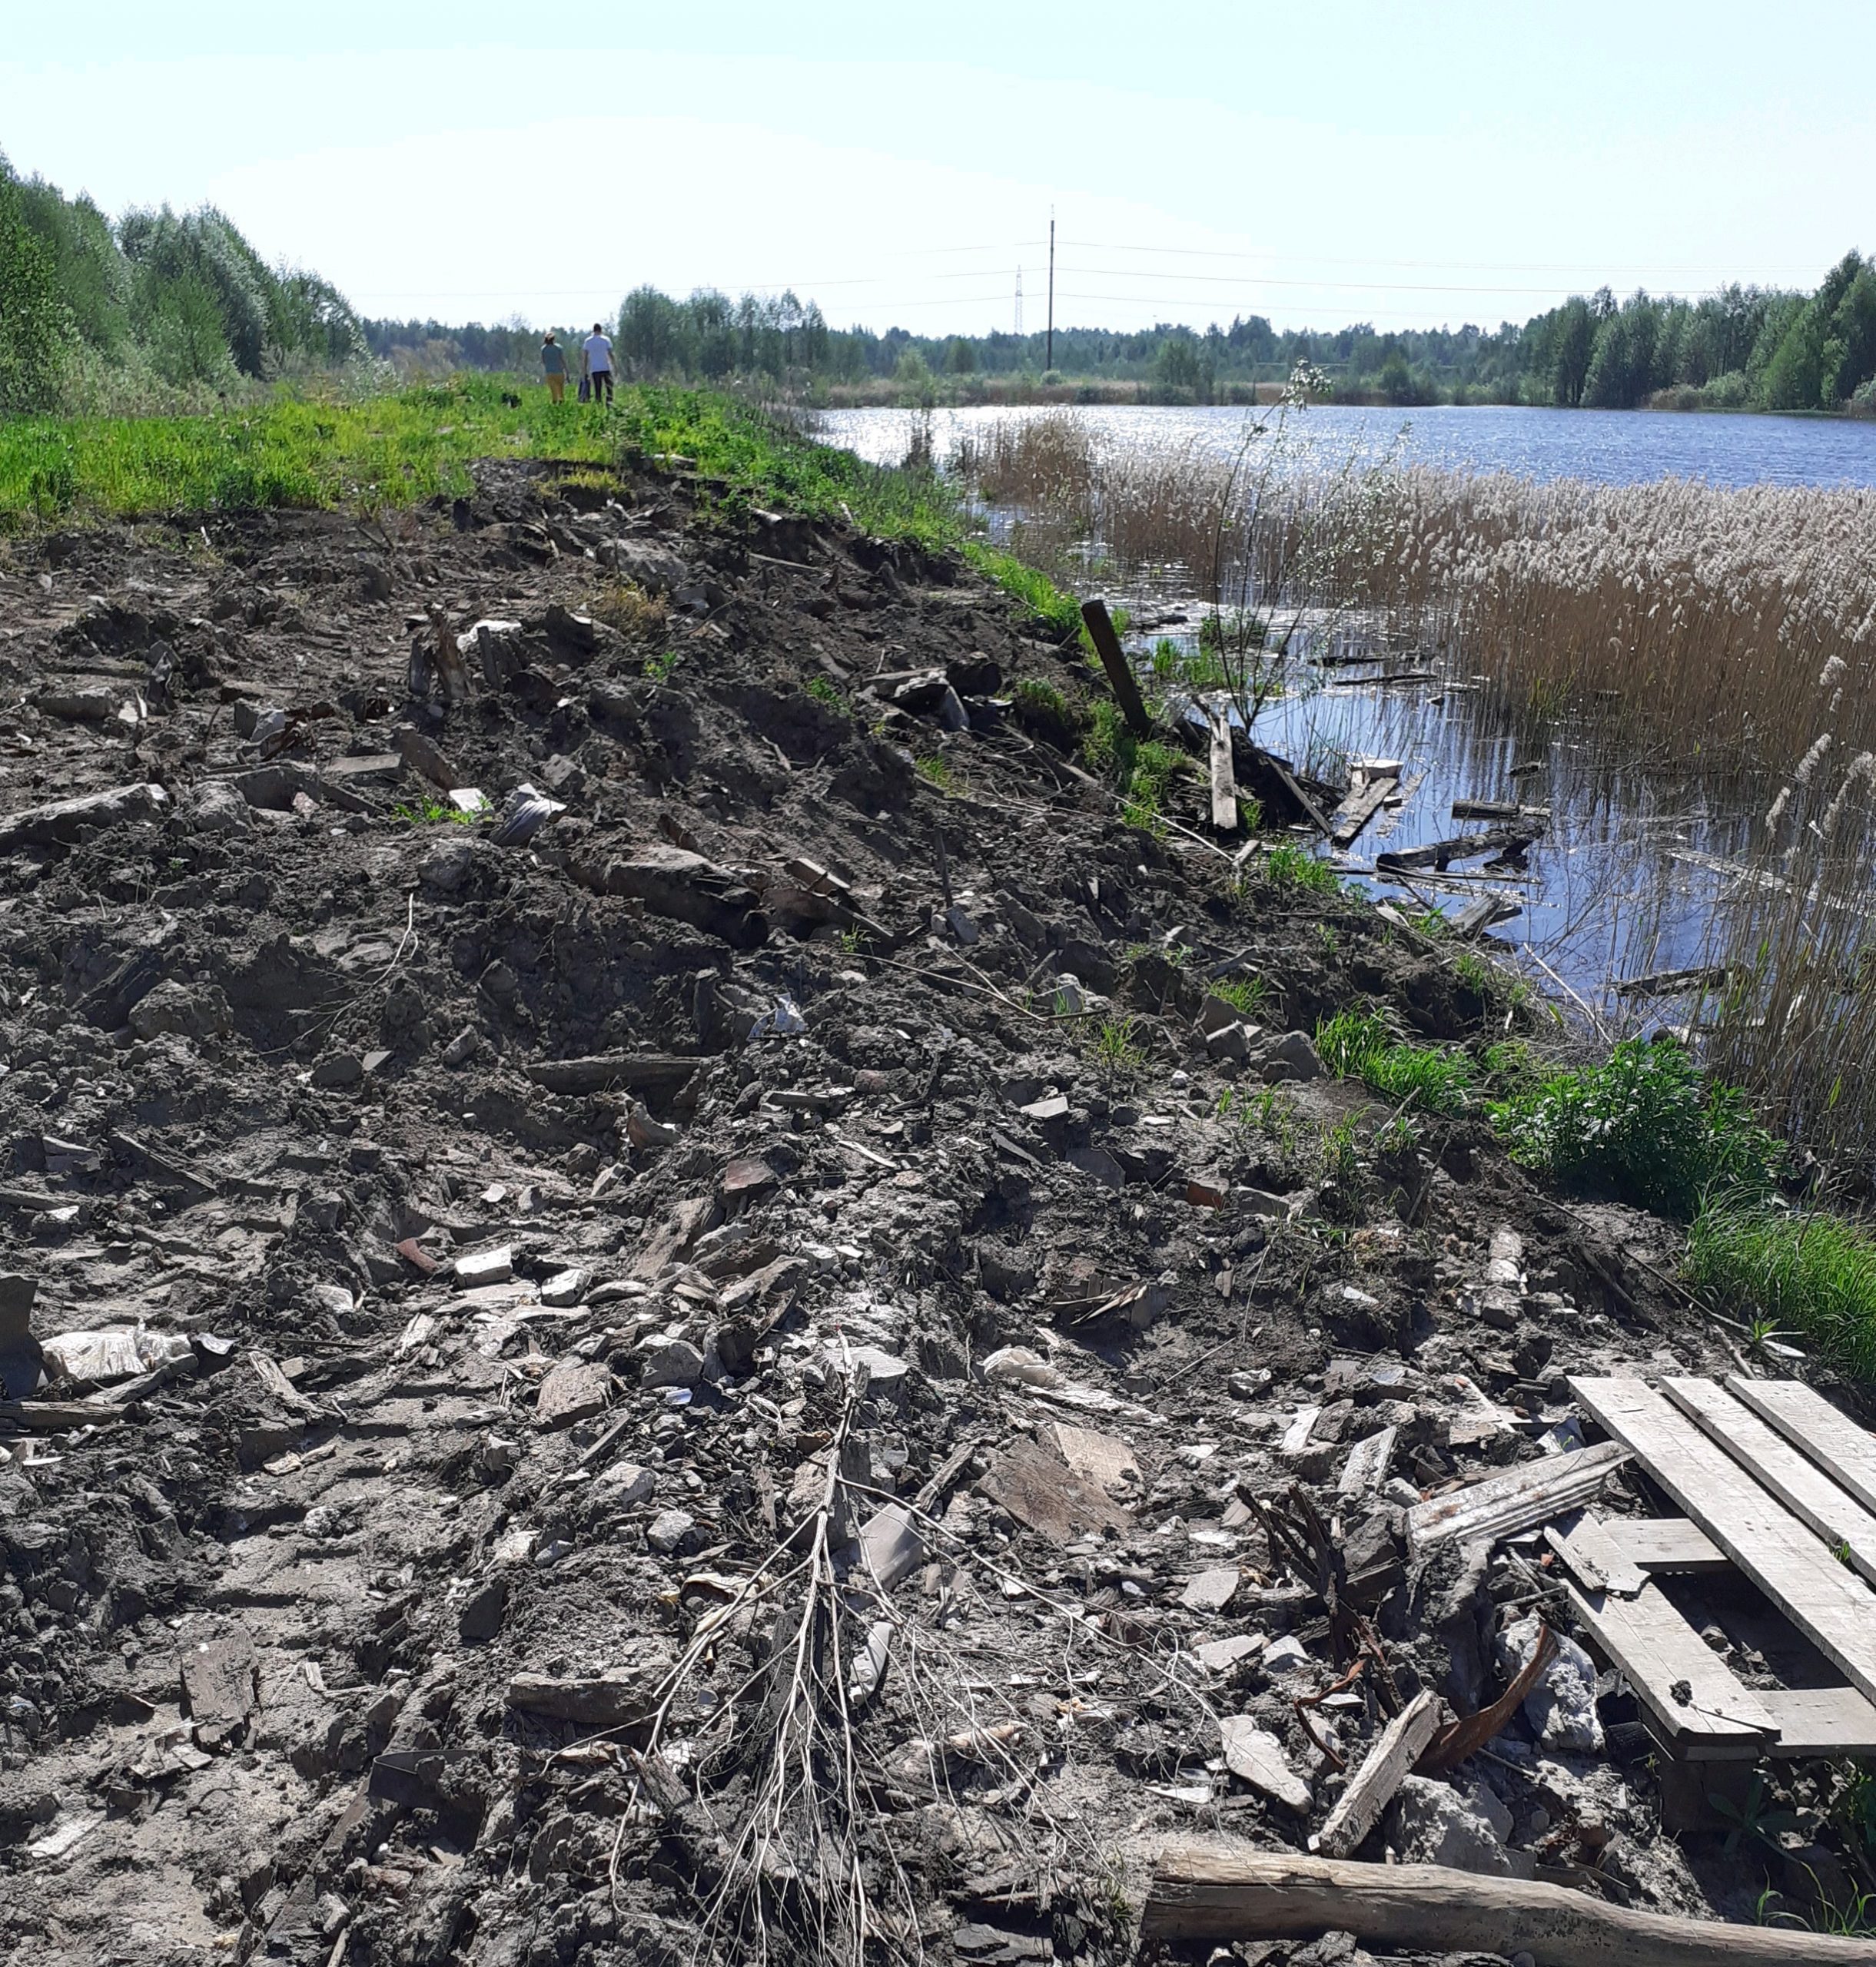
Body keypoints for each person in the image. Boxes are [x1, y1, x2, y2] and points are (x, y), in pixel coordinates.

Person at [583, 321, 615, 405]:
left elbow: (585, 357)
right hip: (606, 367)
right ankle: (609, 403)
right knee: (609, 387)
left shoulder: (588, 341)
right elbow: (610, 354)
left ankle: (598, 404)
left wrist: (584, 369)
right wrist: (614, 365)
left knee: (597, 388)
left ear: (593, 330)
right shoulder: (606, 340)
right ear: (601, 330)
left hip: (595, 368)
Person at [540, 331, 566, 403]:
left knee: (553, 391)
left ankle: (554, 403)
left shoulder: (543, 349)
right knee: (560, 391)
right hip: (559, 372)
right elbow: (563, 360)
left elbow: (543, 361)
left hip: (549, 373)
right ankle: (562, 404)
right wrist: (566, 370)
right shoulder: (559, 348)